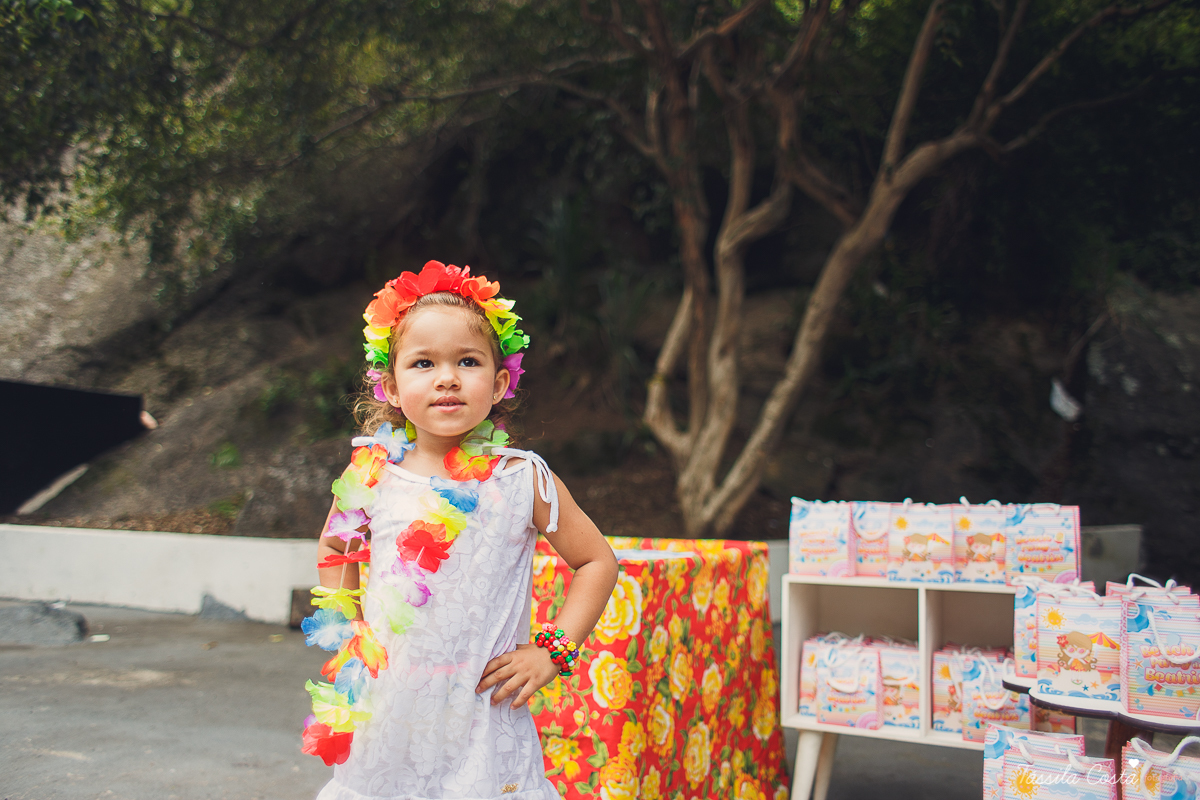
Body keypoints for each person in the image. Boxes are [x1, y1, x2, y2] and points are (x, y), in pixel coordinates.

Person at [300, 260, 619, 799]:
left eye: (467, 361)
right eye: (423, 363)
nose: (446, 377)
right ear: (392, 388)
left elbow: (596, 562)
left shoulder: (522, 479)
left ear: (498, 384)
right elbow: (336, 546)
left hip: (480, 711)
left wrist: (553, 651)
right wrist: (348, 629)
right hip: (389, 707)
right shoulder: (371, 476)